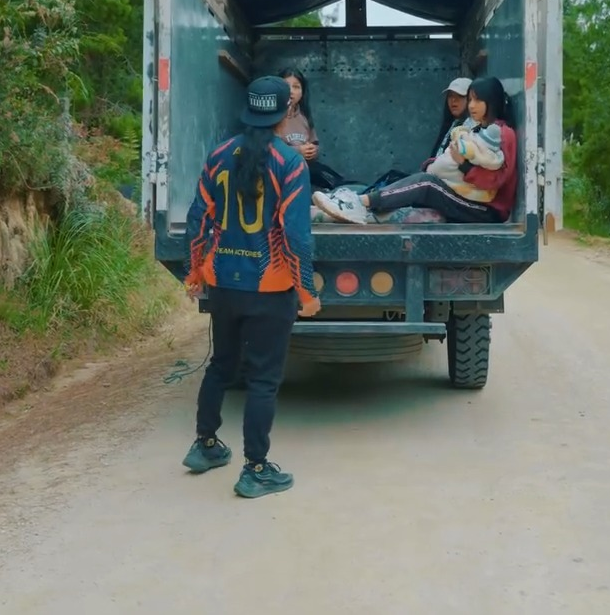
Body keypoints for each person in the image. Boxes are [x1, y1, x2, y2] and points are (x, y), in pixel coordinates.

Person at [182, 75, 321, 499]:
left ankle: (205, 446)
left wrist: (194, 272)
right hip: (271, 288)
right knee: (262, 380)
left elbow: (197, 219)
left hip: (223, 283)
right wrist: (306, 292)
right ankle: (256, 469)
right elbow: (296, 236)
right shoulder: (290, 163)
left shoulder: (219, 154)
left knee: (222, 365)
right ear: (284, 114)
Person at [313, 76, 517, 226]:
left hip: (486, 210)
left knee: (427, 184)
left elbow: (496, 180)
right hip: (468, 199)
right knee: (416, 180)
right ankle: (356, 204)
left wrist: (461, 164)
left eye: (477, 100)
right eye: (470, 100)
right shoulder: (474, 128)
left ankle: (359, 203)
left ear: (492, 101)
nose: (471, 105)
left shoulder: (502, 133)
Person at [276, 67, 319, 163]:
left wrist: (313, 151)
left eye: (296, 87)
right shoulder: (272, 116)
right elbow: (269, 149)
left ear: (302, 92)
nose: (291, 91)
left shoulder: (304, 116)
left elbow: (314, 143)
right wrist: (297, 151)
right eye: (286, 86)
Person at [429, 76, 472, 159]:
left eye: (460, 96)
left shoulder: (473, 128)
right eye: (450, 96)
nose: (453, 100)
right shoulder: (451, 123)